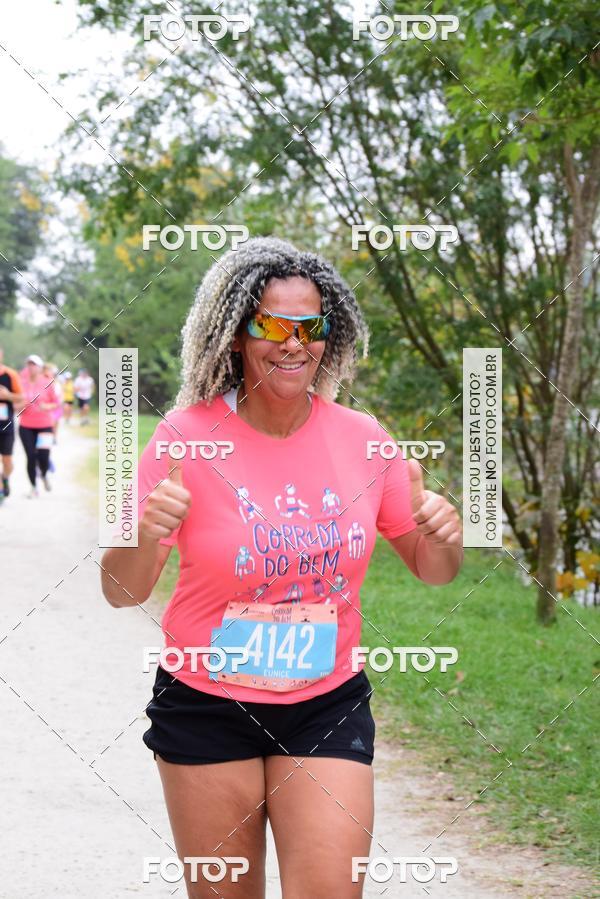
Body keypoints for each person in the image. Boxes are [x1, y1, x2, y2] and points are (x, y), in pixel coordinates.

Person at [100, 238, 463, 898]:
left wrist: (446, 535)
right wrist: (144, 531)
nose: (293, 343)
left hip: (325, 702)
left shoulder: (364, 438)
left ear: (331, 334)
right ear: (236, 332)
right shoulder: (183, 437)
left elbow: (434, 570)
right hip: (206, 703)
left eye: (312, 325)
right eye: (271, 324)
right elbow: (121, 590)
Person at [19, 354, 60, 497]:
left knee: (43, 456)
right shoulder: (21, 382)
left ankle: (43, 474)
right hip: (26, 425)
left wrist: (46, 406)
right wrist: (20, 405)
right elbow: (16, 403)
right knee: (30, 456)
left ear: (40, 367)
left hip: (44, 425)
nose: (31, 367)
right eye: (29, 364)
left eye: (34, 364)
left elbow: (56, 403)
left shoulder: (48, 382)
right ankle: (33, 487)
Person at [0, 346, 24, 501]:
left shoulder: (10, 374)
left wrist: (7, 395)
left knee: (7, 461)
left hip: (6, 425)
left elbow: (20, 398)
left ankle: (5, 478)